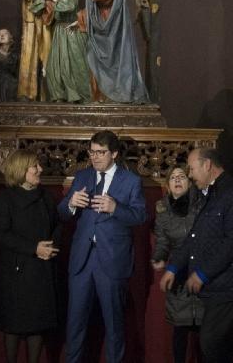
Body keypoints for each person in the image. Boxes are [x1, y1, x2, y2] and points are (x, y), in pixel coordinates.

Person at [160, 148, 233, 363]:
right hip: (215, 286)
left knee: (211, 342)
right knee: (223, 341)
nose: (191, 175)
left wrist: (202, 275)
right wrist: (173, 267)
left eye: (193, 169)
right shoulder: (210, 194)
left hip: (228, 285)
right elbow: (195, 237)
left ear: (208, 165)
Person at [58, 130, 147, 363]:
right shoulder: (83, 176)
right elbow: (62, 212)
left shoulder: (131, 181)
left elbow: (139, 216)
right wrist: (71, 204)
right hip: (82, 262)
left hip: (112, 261)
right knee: (75, 324)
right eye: (92, 152)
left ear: (114, 154)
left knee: (114, 326)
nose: (95, 157)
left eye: (101, 152)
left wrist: (116, 207)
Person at [0, 149, 62, 363]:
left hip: (42, 270)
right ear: (21, 169)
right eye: (35, 166)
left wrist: (51, 246)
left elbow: (57, 225)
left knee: (37, 323)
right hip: (16, 271)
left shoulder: (46, 196)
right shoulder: (6, 198)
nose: (40, 170)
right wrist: (34, 248)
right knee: (14, 323)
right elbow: (1, 234)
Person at [77, 0, 149, 103]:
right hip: (96, 28)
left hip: (110, 27)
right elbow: (91, 6)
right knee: (93, 61)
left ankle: (113, 97)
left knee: (112, 62)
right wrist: (80, 18)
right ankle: (99, 97)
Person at [151, 166, 206, 363]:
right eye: (173, 177)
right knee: (180, 331)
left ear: (189, 182)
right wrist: (158, 257)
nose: (177, 180)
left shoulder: (203, 204)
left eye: (182, 176)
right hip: (178, 274)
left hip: (202, 272)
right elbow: (162, 242)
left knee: (206, 332)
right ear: (167, 185)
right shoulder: (163, 209)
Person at [30, 0, 91, 103]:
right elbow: (34, 9)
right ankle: (59, 96)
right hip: (59, 33)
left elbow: (68, 7)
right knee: (54, 67)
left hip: (72, 33)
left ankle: (79, 96)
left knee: (74, 65)